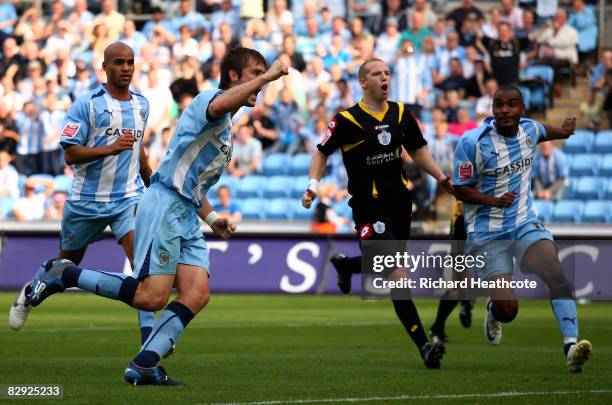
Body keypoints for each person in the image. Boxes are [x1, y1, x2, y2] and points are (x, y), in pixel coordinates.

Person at [23, 47, 288, 385]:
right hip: (164, 205)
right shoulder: (210, 102)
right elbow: (219, 106)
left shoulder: (226, 129)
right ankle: (63, 273)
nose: (260, 82)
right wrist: (269, 76)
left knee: (196, 293)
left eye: (262, 75)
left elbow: (192, 182)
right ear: (234, 77)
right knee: (152, 297)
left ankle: (144, 364)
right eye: (254, 74)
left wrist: (213, 219)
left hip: (187, 213)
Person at [301, 58, 453, 369]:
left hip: (400, 204)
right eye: (377, 73)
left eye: (387, 73)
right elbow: (321, 151)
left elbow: (419, 150)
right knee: (397, 274)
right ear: (363, 82)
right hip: (369, 207)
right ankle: (424, 345)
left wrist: (442, 178)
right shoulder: (346, 120)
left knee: (386, 265)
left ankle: (346, 265)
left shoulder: (400, 113)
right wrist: (313, 185)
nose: (384, 77)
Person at [8, 43, 156, 348]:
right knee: (64, 268)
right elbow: (71, 155)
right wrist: (110, 149)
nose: (126, 68)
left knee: (144, 267)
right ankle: (29, 292)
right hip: (86, 201)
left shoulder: (142, 104)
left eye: (130, 62)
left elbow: (137, 148)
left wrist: (148, 175)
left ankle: (149, 344)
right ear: (105, 67)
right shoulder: (86, 104)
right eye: (119, 62)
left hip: (128, 198)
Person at [453, 85, 591, 373]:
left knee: (556, 274)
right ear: (492, 109)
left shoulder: (530, 130)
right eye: (499, 105)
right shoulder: (472, 142)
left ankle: (571, 346)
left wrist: (565, 131)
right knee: (509, 311)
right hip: (487, 234)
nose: (505, 110)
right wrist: (493, 201)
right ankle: (494, 310)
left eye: (512, 104)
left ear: (521, 109)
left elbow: (546, 131)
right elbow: (460, 189)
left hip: (524, 223)